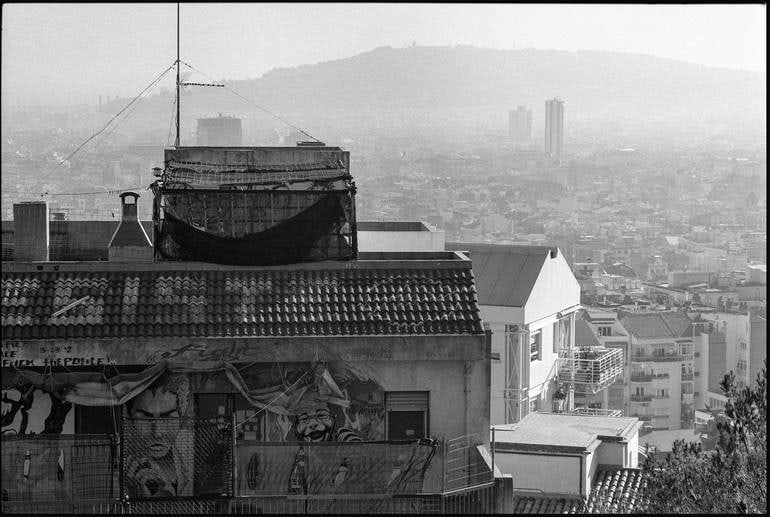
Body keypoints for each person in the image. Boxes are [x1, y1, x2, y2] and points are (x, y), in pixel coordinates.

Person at [124, 373, 192, 499]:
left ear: (181, 419)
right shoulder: (121, 469)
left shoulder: (190, 450)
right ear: (129, 419)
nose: (157, 433)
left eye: (167, 417)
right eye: (145, 418)